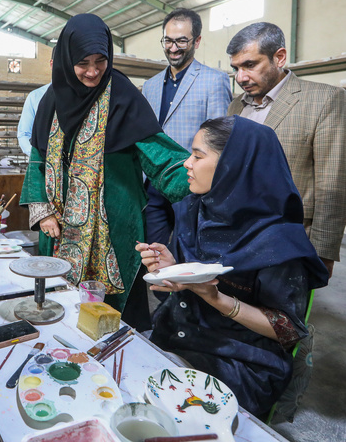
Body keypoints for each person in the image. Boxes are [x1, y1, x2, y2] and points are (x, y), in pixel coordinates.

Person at [136, 116, 329, 417]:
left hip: (241, 359)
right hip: (179, 331)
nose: (187, 163)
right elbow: (191, 279)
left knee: (173, 415)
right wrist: (173, 268)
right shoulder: (195, 208)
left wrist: (216, 298)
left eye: (198, 156)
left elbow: (289, 330)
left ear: (233, 166)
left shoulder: (277, 242)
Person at [20, 14, 191, 330]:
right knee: (59, 312)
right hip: (58, 227)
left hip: (111, 227)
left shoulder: (122, 94)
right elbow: (37, 159)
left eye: (101, 61)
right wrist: (42, 210)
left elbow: (157, 152)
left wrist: (196, 172)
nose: (93, 71)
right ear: (67, 59)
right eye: (83, 63)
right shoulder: (52, 99)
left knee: (115, 321)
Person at [226, 22, 346, 277]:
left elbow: (334, 183)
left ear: (279, 57)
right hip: (237, 235)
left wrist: (323, 252)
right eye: (236, 68)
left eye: (250, 65)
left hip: (290, 239)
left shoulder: (324, 100)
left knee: (281, 314)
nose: (241, 77)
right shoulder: (235, 107)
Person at [142, 8, 232, 245]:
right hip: (153, 186)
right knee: (154, 256)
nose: (173, 48)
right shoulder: (150, 86)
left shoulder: (214, 80)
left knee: (188, 257)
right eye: (168, 40)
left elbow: (219, 142)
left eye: (181, 41)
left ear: (197, 41)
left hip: (191, 186)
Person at [17, 59, 53, 156]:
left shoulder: (83, 96)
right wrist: (37, 156)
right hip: (43, 163)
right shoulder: (36, 97)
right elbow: (24, 134)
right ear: (52, 64)